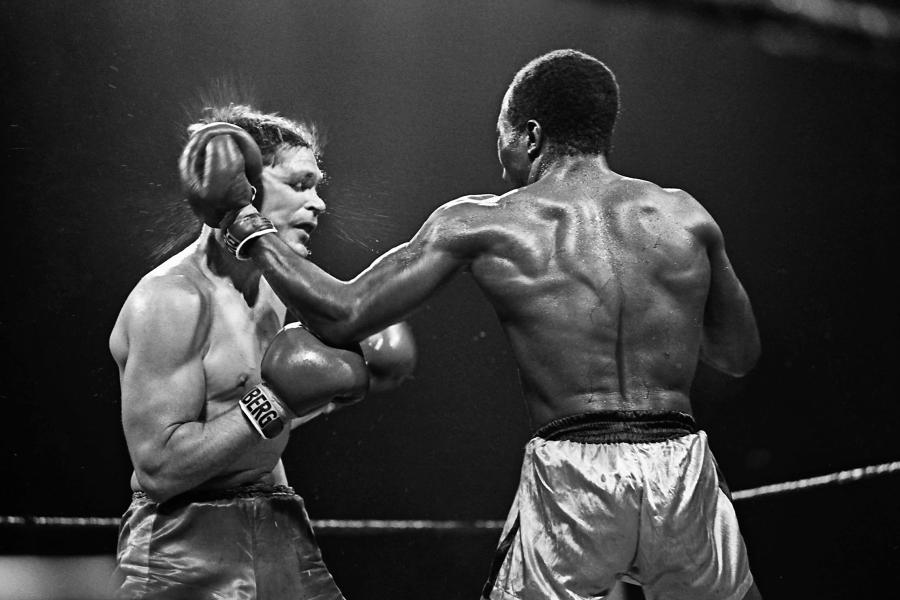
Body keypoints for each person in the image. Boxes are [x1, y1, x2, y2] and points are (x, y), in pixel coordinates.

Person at [213, 49, 763, 599]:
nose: (499, 155)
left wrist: (246, 225)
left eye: (501, 134)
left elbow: (343, 313)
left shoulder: (485, 222)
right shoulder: (685, 215)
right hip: (683, 467)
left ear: (530, 134)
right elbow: (737, 354)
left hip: (576, 474)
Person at [108, 104, 416, 599]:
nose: (318, 204)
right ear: (242, 187)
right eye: (299, 184)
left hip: (280, 524)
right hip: (185, 546)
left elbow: (259, 417)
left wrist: (338, 390)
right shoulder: (171, 300)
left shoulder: (273, 290)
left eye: (318, 186)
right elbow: (159, 468)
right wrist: (275, 400)